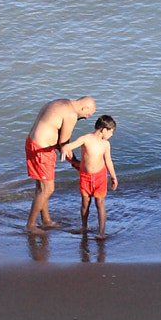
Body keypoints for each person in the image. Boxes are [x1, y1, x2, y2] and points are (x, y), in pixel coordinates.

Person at [24, 96, 96, 232]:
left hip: (33, 144)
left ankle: (46, 221)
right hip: (41, 150)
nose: (87, 117)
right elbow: (64, 144)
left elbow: (59, 142)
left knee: (41, 188)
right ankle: (30, 225)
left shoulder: (61, 103)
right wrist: (76, 163)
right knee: (47, 189)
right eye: (88, 114)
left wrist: (73, 161)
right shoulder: (71, 114)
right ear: (84, 107)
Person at [61, 115, 118, 237]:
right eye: (111, 132)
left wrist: (113, 177)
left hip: (100, 177)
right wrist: (65, 148)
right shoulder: (86, 139)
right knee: (85, 203)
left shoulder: (105, 144)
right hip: (85, 177)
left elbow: (108, 161)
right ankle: (83, 226)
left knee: (100, 203)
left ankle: (101, 232)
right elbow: (70, 146)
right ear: (103, 130)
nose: (111, 135)